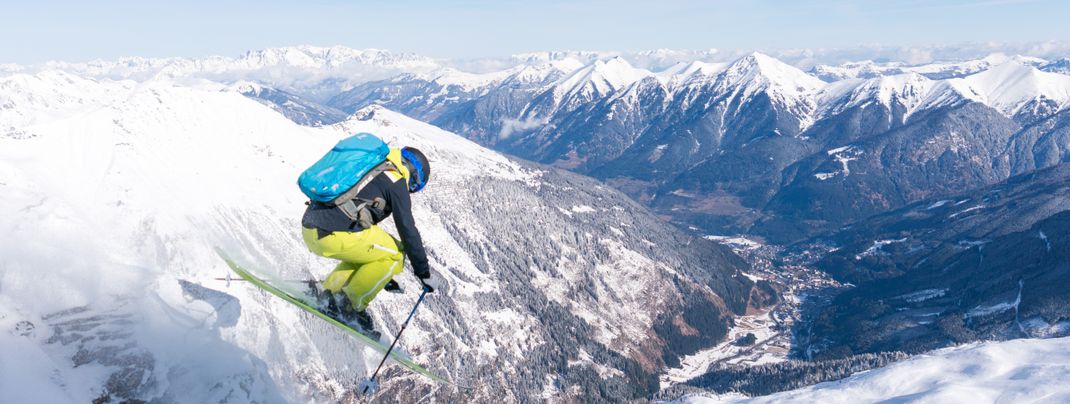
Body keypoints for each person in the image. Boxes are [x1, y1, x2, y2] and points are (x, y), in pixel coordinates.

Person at [300, 145, 442, 333]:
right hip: (333, 235)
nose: (411, 189)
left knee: (368, 250)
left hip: (311, 228)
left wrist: (381, 276)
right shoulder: (396, 180)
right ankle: (349, 305)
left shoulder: (374, 166)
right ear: (414, 174)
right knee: (397, 254)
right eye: (415, 185)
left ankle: (329, 292)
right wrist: (424, 273)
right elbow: (408, 231)